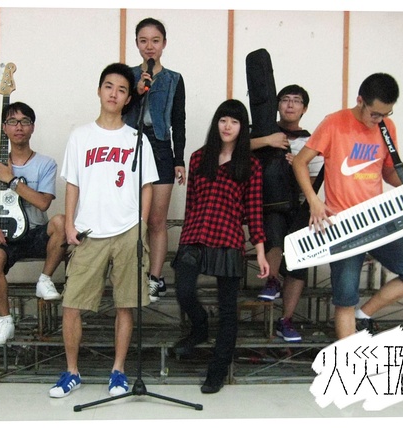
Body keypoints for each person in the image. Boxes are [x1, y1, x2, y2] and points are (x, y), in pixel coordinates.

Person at [293, 72, 403, 339]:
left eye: (386, 114)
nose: (379, 120)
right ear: (360, 100)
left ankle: (365, 314)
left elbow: (388, 172)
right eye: (375, 114)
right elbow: (300, 162)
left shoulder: (386, 127)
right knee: (345, 299)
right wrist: (314, 201)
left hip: (378, 217)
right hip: (343, 224)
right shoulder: (334, 123)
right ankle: (348, 358)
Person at [49, 63, 159, 398]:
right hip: (88, 230)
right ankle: (72, 372)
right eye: (109, 86)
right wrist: (70, 223)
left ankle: (118, 371)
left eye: (122, 89)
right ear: (99, 91)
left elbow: (147, 186)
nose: (114, 94)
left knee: (125, 305)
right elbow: (72, 184)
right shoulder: (80, 136)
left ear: (128, 99)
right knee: (72, 304)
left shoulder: (137, 139)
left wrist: (141, 225)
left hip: (127, 230)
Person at [171, 99, 269, 394]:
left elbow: (254, 211)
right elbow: (191, 202)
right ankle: (200, 326)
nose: (227, 126)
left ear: (242, 128)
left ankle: (217, 369)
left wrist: (260, 251)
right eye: (223, 120)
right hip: (195, 234)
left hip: (228, 239)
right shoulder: (199, 158)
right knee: (183, 291)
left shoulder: (251, 165)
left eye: (234, 122)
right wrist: (185, 236)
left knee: (228, 311)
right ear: (216, 123)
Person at [0, 101, 66, 346]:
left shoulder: (46, 164)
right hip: (4, 234)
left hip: (35, 233)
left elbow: (43, 203)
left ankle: (44, 280)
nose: (19, 127)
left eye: (24, 122)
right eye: (12, 122)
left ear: (32, 128)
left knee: (62, 222)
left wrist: (11, 181)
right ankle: (5, 320)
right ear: (4, 129)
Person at [250, 84, 323, 342]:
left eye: (296, 101)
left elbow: (313, 184)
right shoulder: (263, 131)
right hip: (267, 206)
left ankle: (286, 320)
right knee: (274, 226)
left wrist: (296, 168)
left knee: (299, 261)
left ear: (304, 108)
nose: (290, 105)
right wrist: (268, 141)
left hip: (300, 207)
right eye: (285, 100)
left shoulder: (311, 142)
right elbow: (234, 149)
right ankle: (272, 280)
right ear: (277, 104)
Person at [124, 17, 186, 302]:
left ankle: (155, 277)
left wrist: (179, 159)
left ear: (164, 44)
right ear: (137, 44)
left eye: (155, 40)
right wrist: (136, 91)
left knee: (157, 219)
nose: (149, 46)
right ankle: (130, 274)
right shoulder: (127, 75)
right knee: (132, 216)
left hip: (160, 146)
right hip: (129, 145)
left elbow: (178, 120)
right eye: (143, 40)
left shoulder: (174, 79)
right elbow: (116, 110)